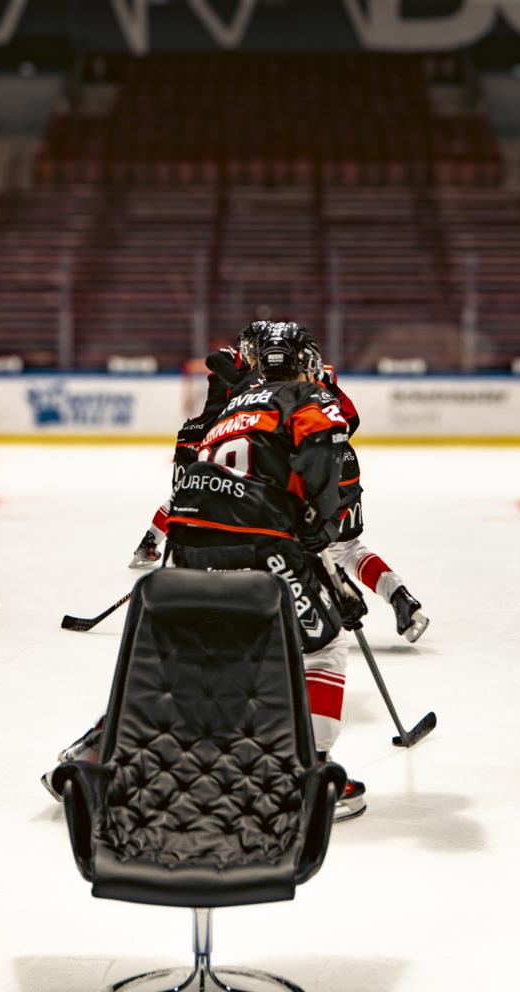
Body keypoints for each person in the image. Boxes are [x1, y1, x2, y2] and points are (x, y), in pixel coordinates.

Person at [166, 321, 366, 820]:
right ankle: (311, 775)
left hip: (190, 544)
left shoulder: (232, 406)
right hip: (257, 543)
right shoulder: (305, 395)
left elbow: (193, 469)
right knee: (323, 646)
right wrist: (320, 522)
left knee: (209, 652)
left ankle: (102, 750)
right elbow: (322, 449)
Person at [311, 354, 430, 644]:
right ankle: (400, 596)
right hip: (345, 464)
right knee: (347, 547)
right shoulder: (322, 374)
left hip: (314, 469)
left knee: (298, 546)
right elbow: (351, 419)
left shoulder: (277, 381)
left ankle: (332, 600)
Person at [128, 321, 269, 568]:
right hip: (198, 439)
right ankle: (154, 545)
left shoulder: (261, 375)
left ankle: (165, 546)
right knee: (185, 498)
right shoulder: (231, 359)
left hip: (218, 439)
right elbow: (215, 360)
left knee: (197, 496)